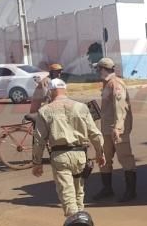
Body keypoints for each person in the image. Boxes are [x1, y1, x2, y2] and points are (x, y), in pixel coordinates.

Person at [32, 78, 105, 217]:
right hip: (80, 156)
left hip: (60, 157)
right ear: (65, 89)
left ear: (51, 91)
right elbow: (95, 134)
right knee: (79, 191)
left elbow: (39, 141)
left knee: (67, 193)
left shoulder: (45, 111)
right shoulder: (81, 107)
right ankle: (81, 220)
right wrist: (100, 153)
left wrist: (37, 163)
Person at [91, 57, 137, 203]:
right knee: (104, 158)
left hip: (117, 129)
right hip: (106, 128)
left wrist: (117, 128)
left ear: (103, 69)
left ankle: (131, 191)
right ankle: (107, 188)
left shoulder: (116, 84)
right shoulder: (106, 84)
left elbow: (121, 108)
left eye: (98, 69)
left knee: (125, 159)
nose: (97, 72)